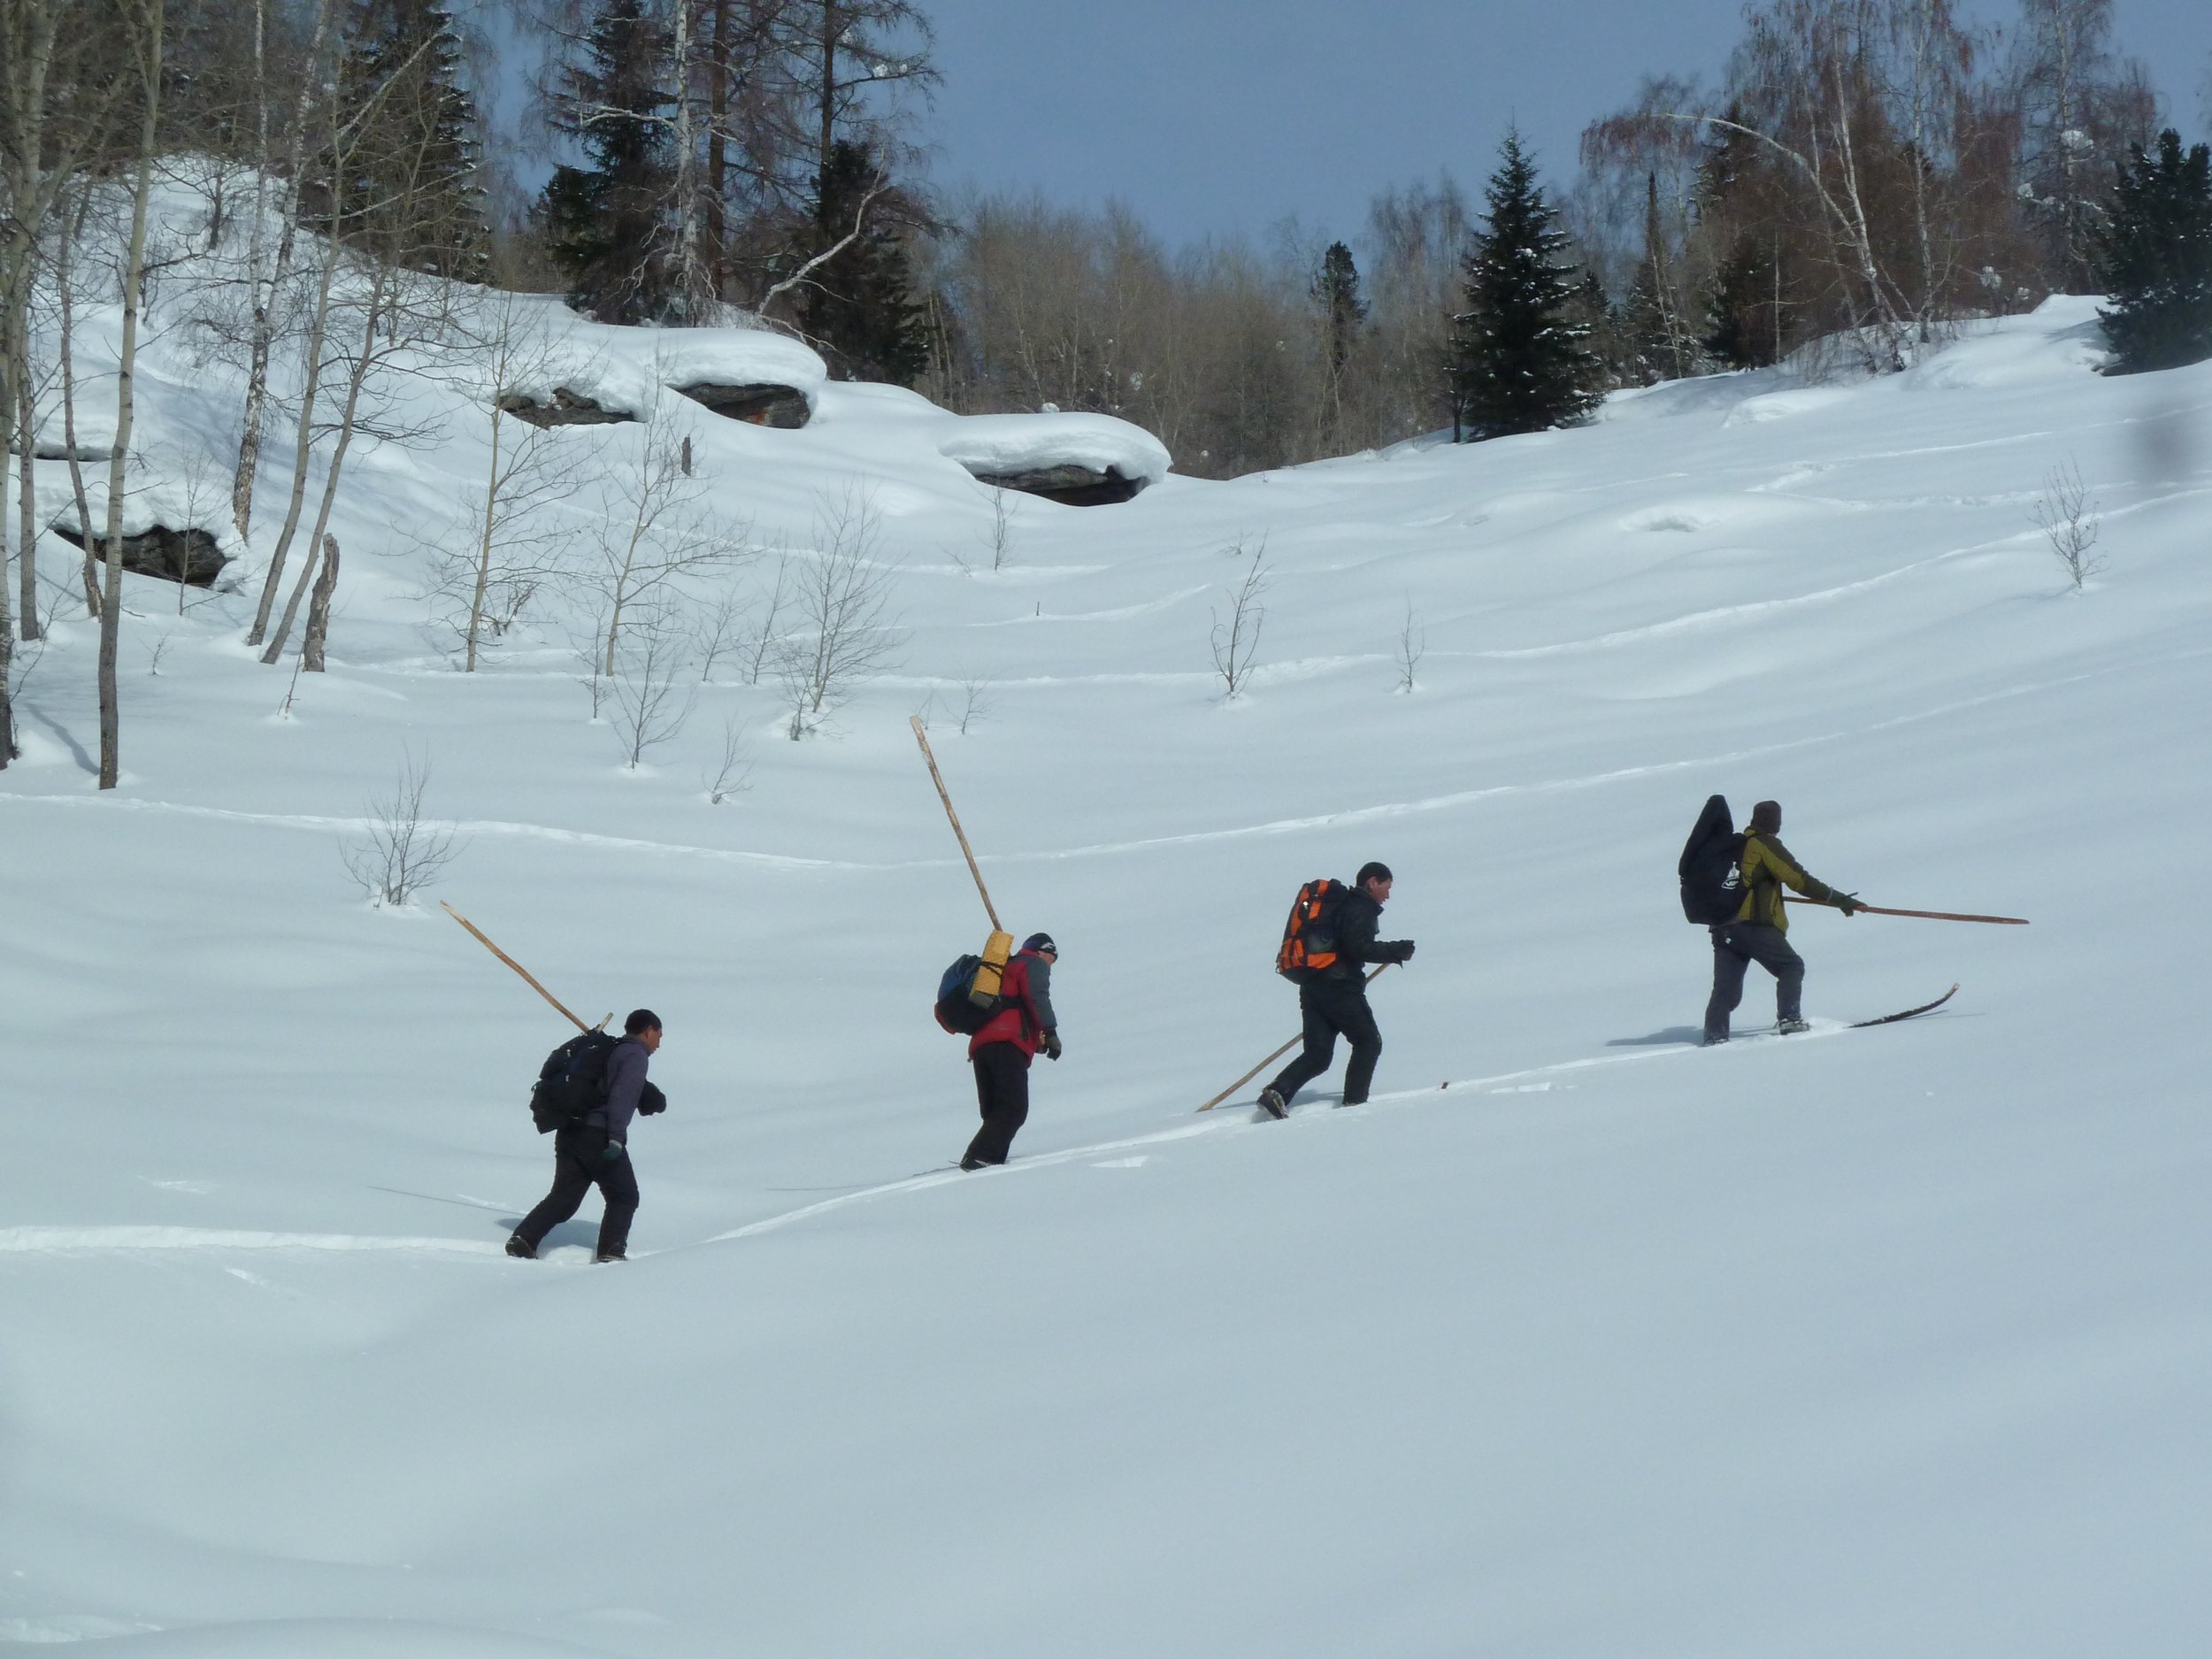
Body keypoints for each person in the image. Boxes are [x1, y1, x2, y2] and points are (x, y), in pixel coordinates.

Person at [1258, 862, 1414, 1118]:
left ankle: (1276, 1093)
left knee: (1318, 1054)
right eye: (1386, 887)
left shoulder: (1343, 906)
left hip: (1313, 986)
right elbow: (1357, 948)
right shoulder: (1360, 906)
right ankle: (1354, 1106)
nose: (1388, 895)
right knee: (1368, 1043)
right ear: (1372, 882)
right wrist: (1395, 950)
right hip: (1339, 987)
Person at [508, 1009, 664, 1262]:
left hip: (571, 1131)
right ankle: (611, 1253)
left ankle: (524, 1239)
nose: (659, 1043)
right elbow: (622, 1098)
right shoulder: (635, 1055)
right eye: (659, 1035)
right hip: (599, 1135)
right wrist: (615, 1138)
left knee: (565, 1198)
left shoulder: (610, 1050)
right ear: (648, 1031)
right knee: (624, 1196)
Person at [1703, 802, 1862, 1044]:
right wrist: (1837, 899)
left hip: (1723, 928)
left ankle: (1715, 1036)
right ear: (1775, 824)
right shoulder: (1764, 844)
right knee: (1791, 966)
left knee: (1726, 992)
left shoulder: (1735, 847)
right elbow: (1798, 879)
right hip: (1753, 926)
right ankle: (1789, 1020)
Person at [961, 933, 1061, 1171]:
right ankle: (978, 1159)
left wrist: (1039, 1042)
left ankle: (991, 1164)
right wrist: (1051, 1031)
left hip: (982, 1046)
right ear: (1041, 951)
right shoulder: (1032, 964)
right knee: (1013, 1109)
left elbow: (1013, 1010)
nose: (1051, 965)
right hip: (1006, 1043)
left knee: (995, 1113)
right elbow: (1037, 997)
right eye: (1052, 958)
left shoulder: (1003, 970)